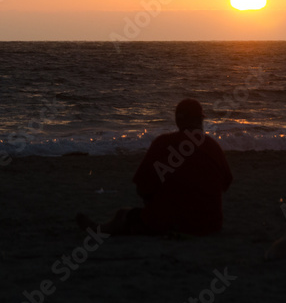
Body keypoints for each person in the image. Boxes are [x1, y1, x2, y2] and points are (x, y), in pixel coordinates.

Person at [76, 99, 233, 236]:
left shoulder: (163, 143)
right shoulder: (214, 146)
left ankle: (100, 230)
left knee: (123, 215)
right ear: (200, 121)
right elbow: (226, 184)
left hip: (173, 223)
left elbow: (142, 188)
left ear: (179, 121)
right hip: (211, 224)